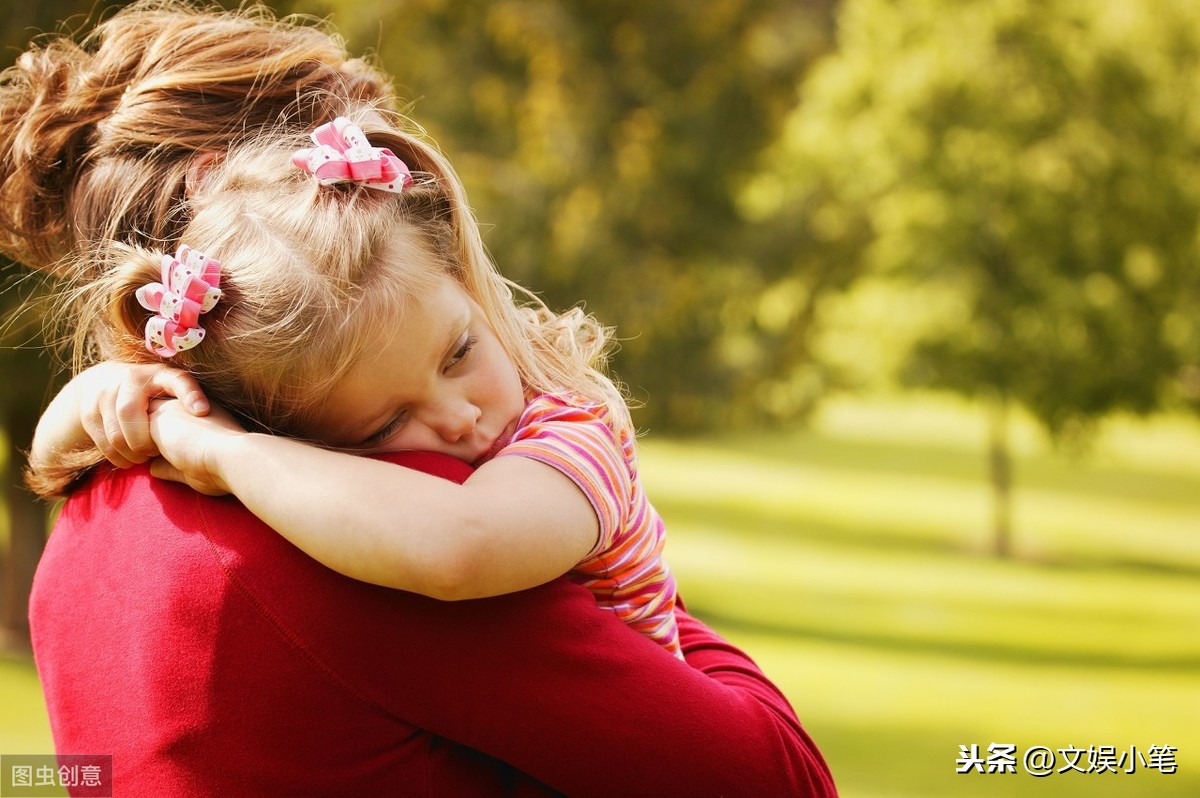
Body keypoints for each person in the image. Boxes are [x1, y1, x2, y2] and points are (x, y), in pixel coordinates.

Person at [10, 3, 838, 796]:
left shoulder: (85, 528)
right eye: (382, 422)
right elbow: (775, 778)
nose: (455, 420)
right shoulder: (370, 546)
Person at [42, 113, 687, 656]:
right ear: (294, 436)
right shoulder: (320, 476)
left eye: (458, 352)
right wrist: (113, 392)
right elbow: (47, 462)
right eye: (384, 426)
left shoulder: (574, 437)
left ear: (465, 279)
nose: (458, 416)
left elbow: (463, 546)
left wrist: (225, 454)